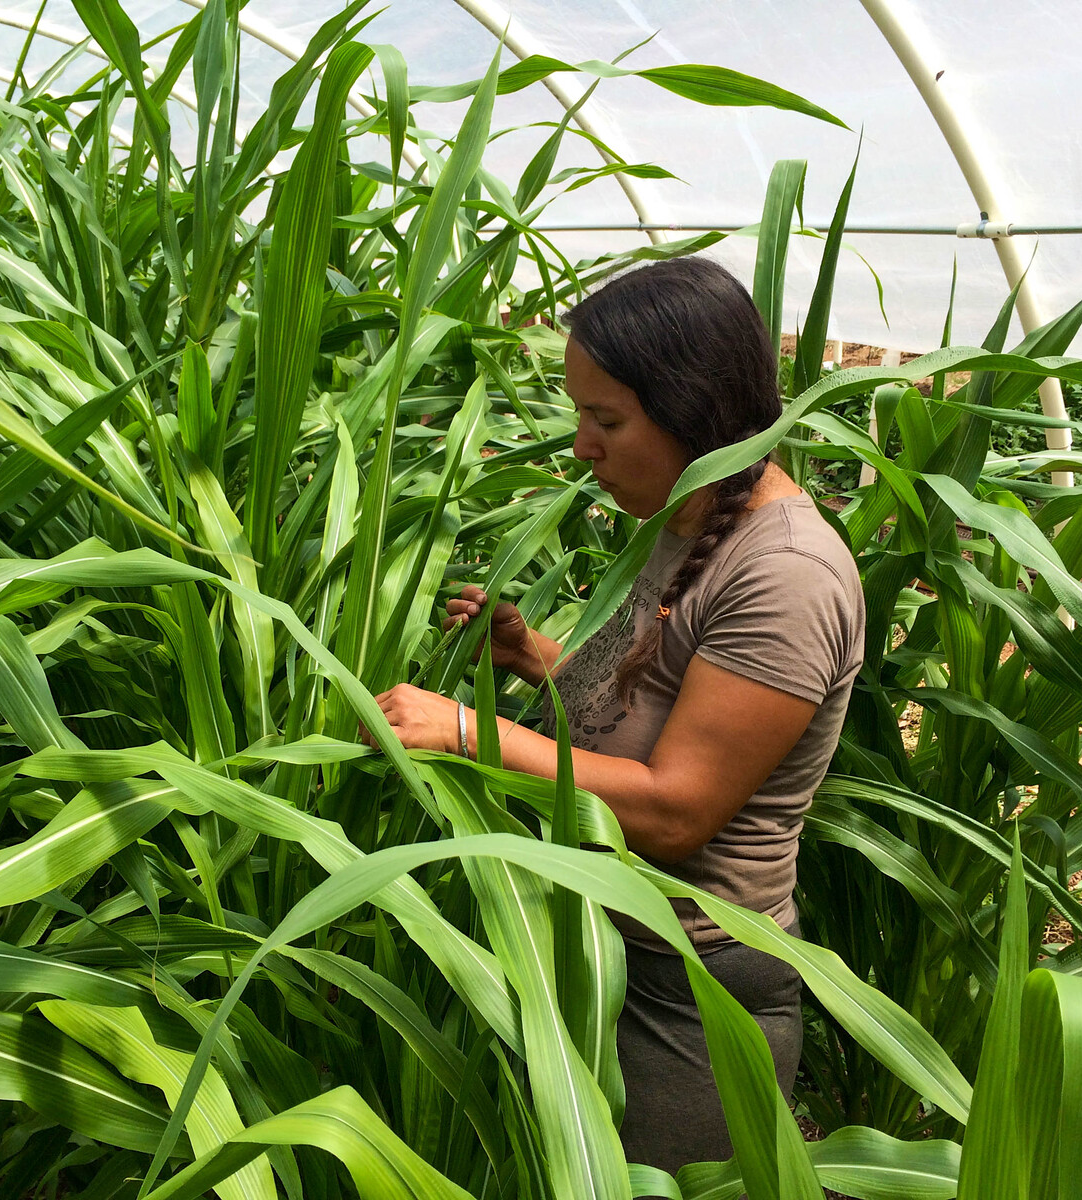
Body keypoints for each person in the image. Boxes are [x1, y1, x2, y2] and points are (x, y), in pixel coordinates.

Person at [367, 256, 866, 1175]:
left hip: (689, 990)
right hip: (607, 947)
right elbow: (647, 713)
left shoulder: (784, 573)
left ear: (696, 411)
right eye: (580, 416)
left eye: (608, 420)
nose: (582, 448)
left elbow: (678, 809)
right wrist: (542, 666)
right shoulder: (683, 522)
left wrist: (470, 731)